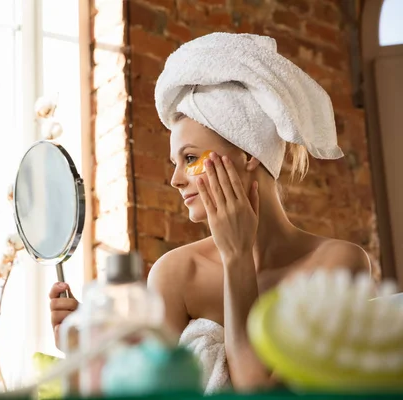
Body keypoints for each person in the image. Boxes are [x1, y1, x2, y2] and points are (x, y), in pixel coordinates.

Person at [49, 33, 374, 392]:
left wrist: (237, 259)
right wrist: (89, 349)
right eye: (175, 162)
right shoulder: (176, 274)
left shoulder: (339, 265)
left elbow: (259, 391)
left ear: (249, 154)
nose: (175, 179)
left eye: (189, 159)